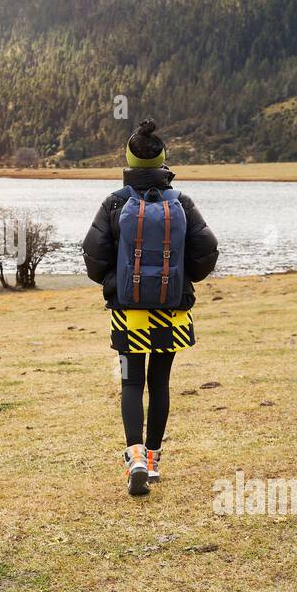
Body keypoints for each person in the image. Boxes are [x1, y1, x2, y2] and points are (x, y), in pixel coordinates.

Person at [82, 120, 219, 496]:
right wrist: (180, 282)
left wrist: (115, 284)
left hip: (129, 313)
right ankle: (155, 458)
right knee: (160, 382)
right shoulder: (182, 203)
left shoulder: (114, 202)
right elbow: (206, 253)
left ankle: (135, 457)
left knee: (130, 381)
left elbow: (94, 259)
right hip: (171, 311)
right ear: (163, 160)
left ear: (127, 162)